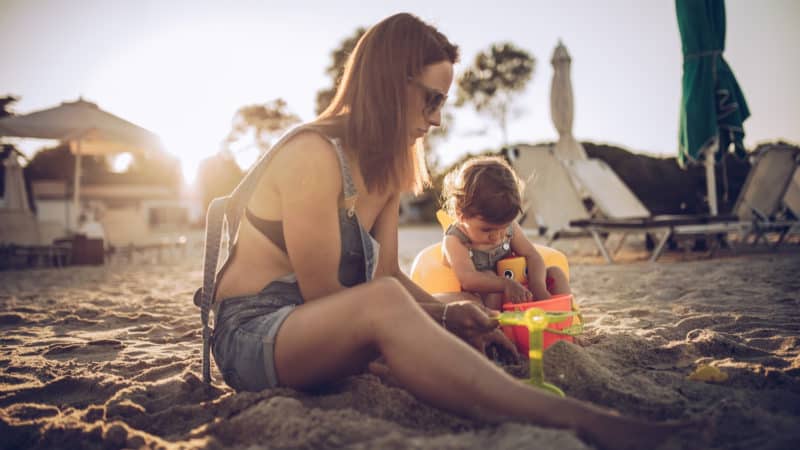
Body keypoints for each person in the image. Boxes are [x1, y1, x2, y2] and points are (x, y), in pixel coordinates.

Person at [198, 12, 695, 450]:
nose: (437, 119)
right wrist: (433, 324)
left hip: (320, 328)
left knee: (429, 308)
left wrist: (448, 313)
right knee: (396, 306)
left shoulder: (386, 169)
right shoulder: (311, 156)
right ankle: (574, 420)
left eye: (444, 103)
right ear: (390, 85)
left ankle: (520, 395)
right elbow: (327, 293)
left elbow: (387, 272)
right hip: (256, 333)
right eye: (431, 99)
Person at [441, 156, 570, 310]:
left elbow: (532, 255)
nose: (497, 236)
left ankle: (560, 316)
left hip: (517, 286)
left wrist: (538, 286)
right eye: (487, 229)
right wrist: (504, 284)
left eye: (504, 227)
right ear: (460, 214)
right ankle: (498, 326)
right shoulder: (455, 240)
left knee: (556, 273)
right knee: (489, 275)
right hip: (486, 297)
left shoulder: (509, 227)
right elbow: (468, 279)